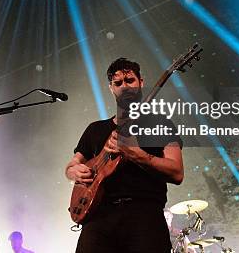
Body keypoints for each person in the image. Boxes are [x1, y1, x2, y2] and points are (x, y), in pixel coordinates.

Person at [65, 57, 184, 253]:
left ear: (141, 82)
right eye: (118, 83)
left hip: (144, 217)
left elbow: (177, 173)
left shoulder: (161, 124)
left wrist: (137, 154)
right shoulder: (95, 129)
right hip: (98, 218)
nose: (124, 86)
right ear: (111, 88)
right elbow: (71, 165)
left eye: (130, 80)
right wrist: (73, 171)